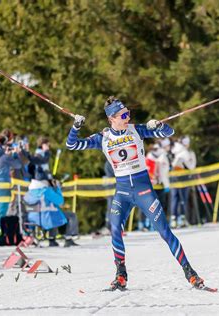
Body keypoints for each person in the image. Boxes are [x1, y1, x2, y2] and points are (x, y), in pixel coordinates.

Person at [66, 96, 207, 290]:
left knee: (165, 232)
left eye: (128, 113)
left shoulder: (137, 130)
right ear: (112, 119)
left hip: (143, 190)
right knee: (115, 229)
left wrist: (159, 124)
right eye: (123, 115)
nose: (127, 117)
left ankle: (190, 273)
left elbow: (170, 132)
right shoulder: (103, 138)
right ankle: (120, 274)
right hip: (122, 192)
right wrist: (76, 127)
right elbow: (72, 145)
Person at [24, 171, 79, 247]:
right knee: (71, 216)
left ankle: (52, 240)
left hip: (31, 219)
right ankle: (68, 239)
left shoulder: (29, 192)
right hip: (45, 219)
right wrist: (57, 188)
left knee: (53, 213)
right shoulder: (46, 191)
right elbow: (60, 201)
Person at [170, 136, 196, 228]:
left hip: (173, 178)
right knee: (182, 199)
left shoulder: (173, 150)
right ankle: (182, 219)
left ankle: (174, 220)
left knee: (174, 198)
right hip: (183, 178)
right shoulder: (186, 152)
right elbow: (191, 166)